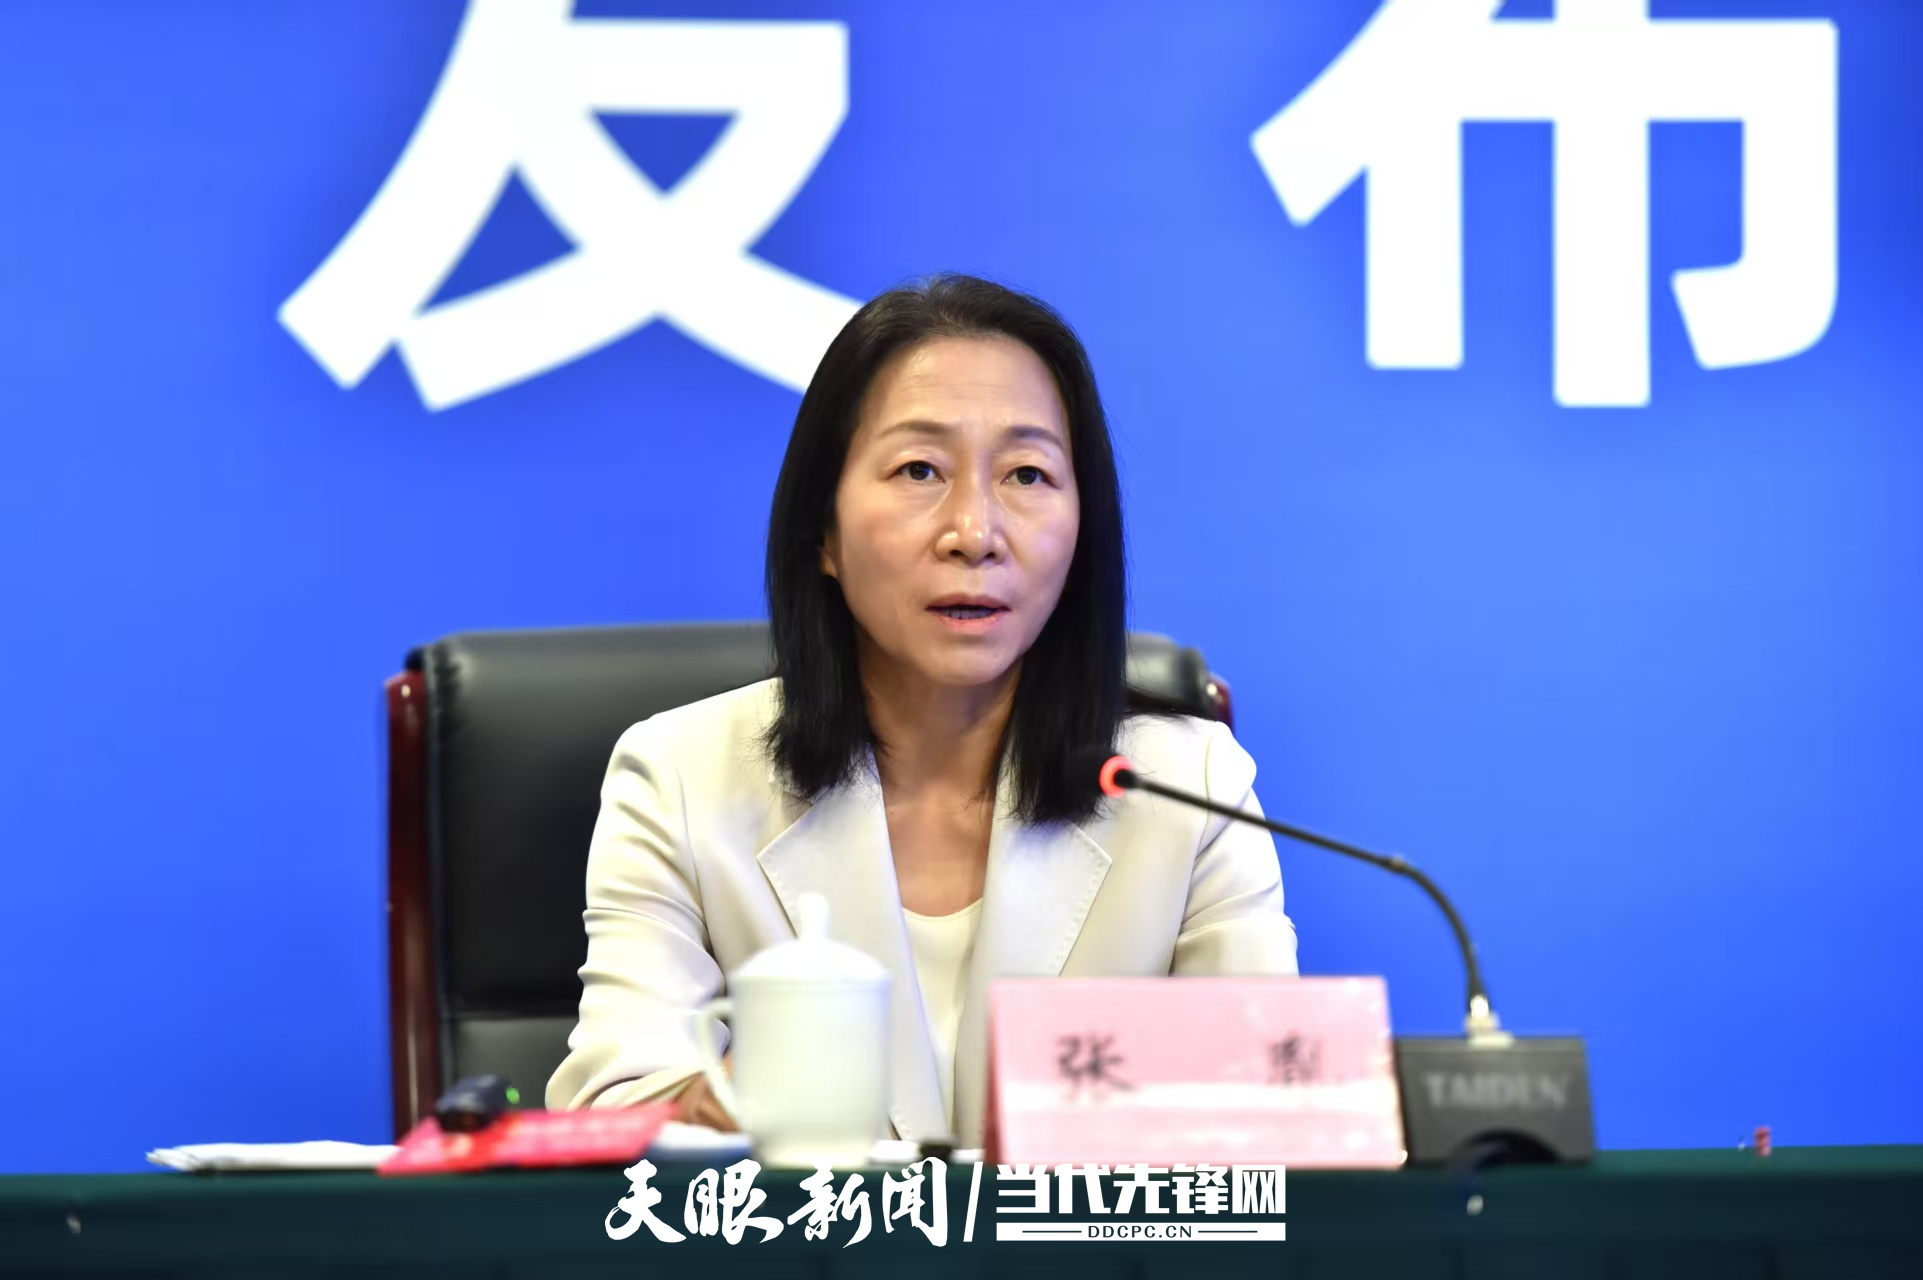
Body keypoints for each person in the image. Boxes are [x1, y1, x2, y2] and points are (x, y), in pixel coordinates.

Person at [546, 275, 1297, 1146]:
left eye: (1026, 474)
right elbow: (615, 1109)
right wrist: (742, 1098)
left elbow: (1272, 1120)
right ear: (822, 532)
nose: (973, 532)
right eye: (918, 471)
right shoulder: (680, 778)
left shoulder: (1186, 787)